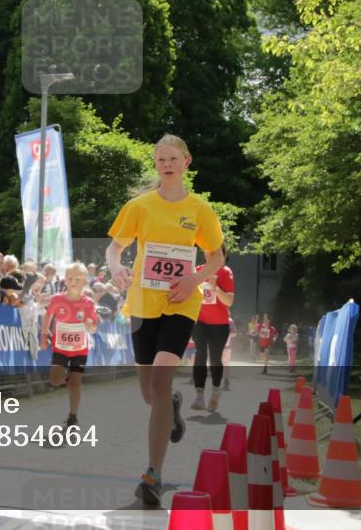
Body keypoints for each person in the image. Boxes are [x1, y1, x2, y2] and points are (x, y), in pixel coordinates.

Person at [106, 134, 224, 506]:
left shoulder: (200, 209)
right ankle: (171, 405)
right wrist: (116, 268)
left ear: (186, 161)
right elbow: (115, 247)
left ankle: (152, 474)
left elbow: (217, 256)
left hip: (181, 302)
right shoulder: (139, 206)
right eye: (161, 160)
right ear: (156, 164)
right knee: (150, 393)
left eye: (173, 158)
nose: (167, 165)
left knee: (159, 380)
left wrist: (193, 279)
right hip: (143, 304)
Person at [40, 262, 99, 428]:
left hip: (80, 350)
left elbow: (93, 327)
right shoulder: (57, 299)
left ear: (85, 281)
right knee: (55, 381)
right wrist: (44, 336)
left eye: (77, 279)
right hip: (61, 349)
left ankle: (73, 417)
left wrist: (89, 325)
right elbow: (48, 316)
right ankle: (66, 375)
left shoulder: (88, 303)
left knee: (75, 383)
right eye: (70, 278)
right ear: (65, 280)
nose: (73, 282)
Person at [189, 246, 235, 412]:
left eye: (214, 251)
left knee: (215, 359)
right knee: (200, 355)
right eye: (207, 250)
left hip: (219, 324)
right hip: (200, 322)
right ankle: (199, 396)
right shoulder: (198, 270)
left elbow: (229, 301)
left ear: (222, 254)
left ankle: (215, 392)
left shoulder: (225, 272)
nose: (209, 253)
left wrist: (215, 288)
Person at [222, 317, 236, 390]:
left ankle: (226, 382)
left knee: (226, 364)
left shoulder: (230, 321)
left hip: (226, 347)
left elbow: (234, 334)